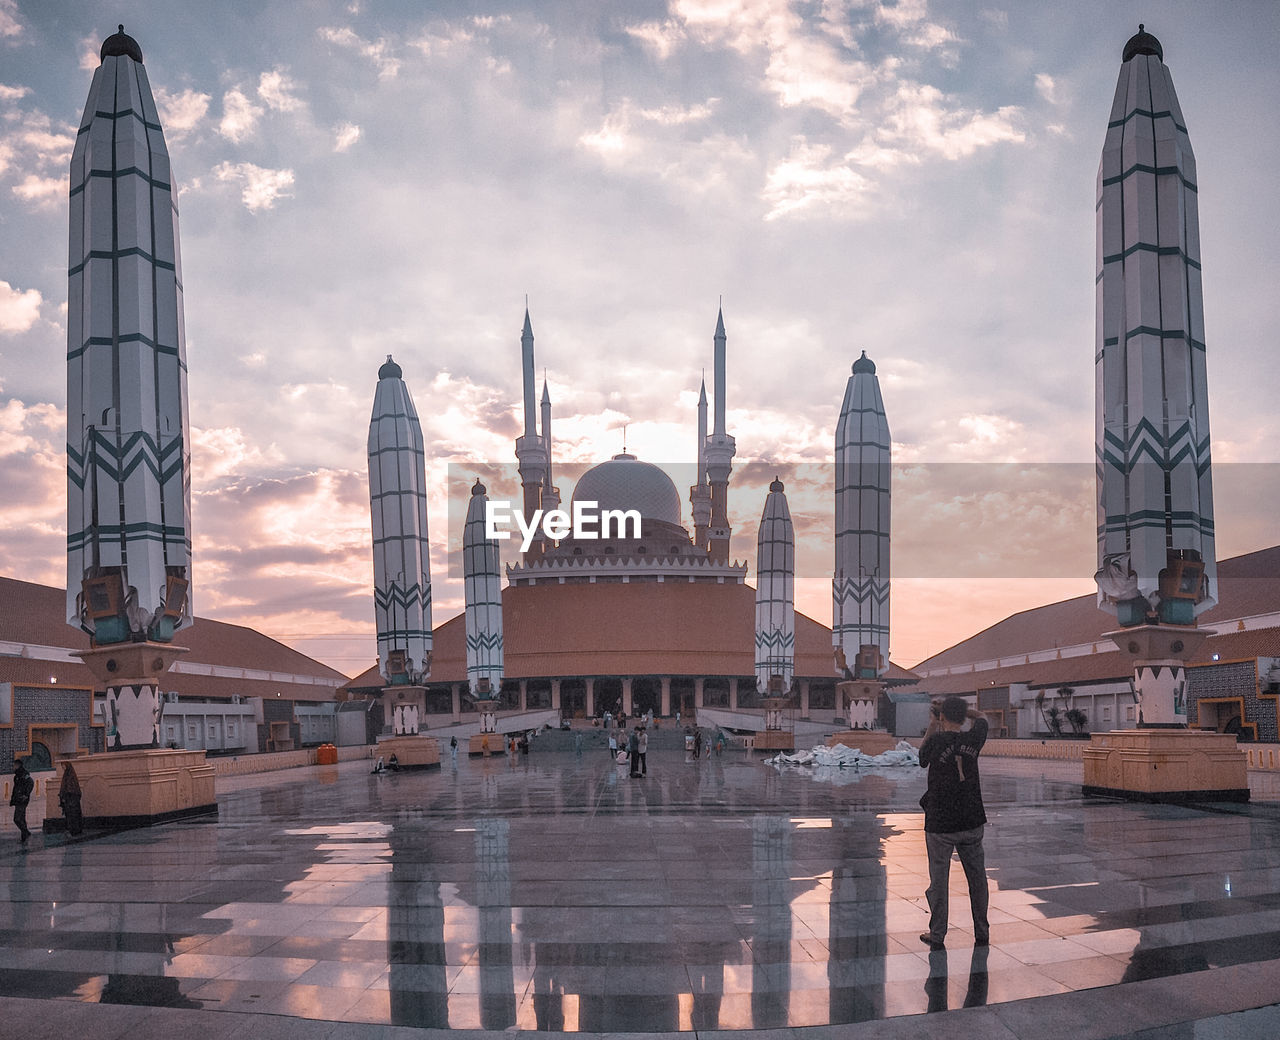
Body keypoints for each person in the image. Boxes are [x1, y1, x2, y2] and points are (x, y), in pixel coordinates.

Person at [917, 696, 990, 950]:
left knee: (939, 882)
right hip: (971, 819)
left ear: (942, 717)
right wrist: (964, 711)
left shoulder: (936, 741)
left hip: (940, 823)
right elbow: (982, 719)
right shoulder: (973, 739)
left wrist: (933, 723)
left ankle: (937, 933)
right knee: (977, 879)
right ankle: (982, 930)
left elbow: (921, 757)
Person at [10, 761, 33, 843]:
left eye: (14, 765)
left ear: (18, 765)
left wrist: (26, 794)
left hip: (22, 800)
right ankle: (24, 835)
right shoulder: (17, 776)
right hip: (18, 799)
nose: (13, 767)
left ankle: (25, 833)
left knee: (17, 819)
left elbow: (31, 782)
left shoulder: (24, 774)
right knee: (21, 818)